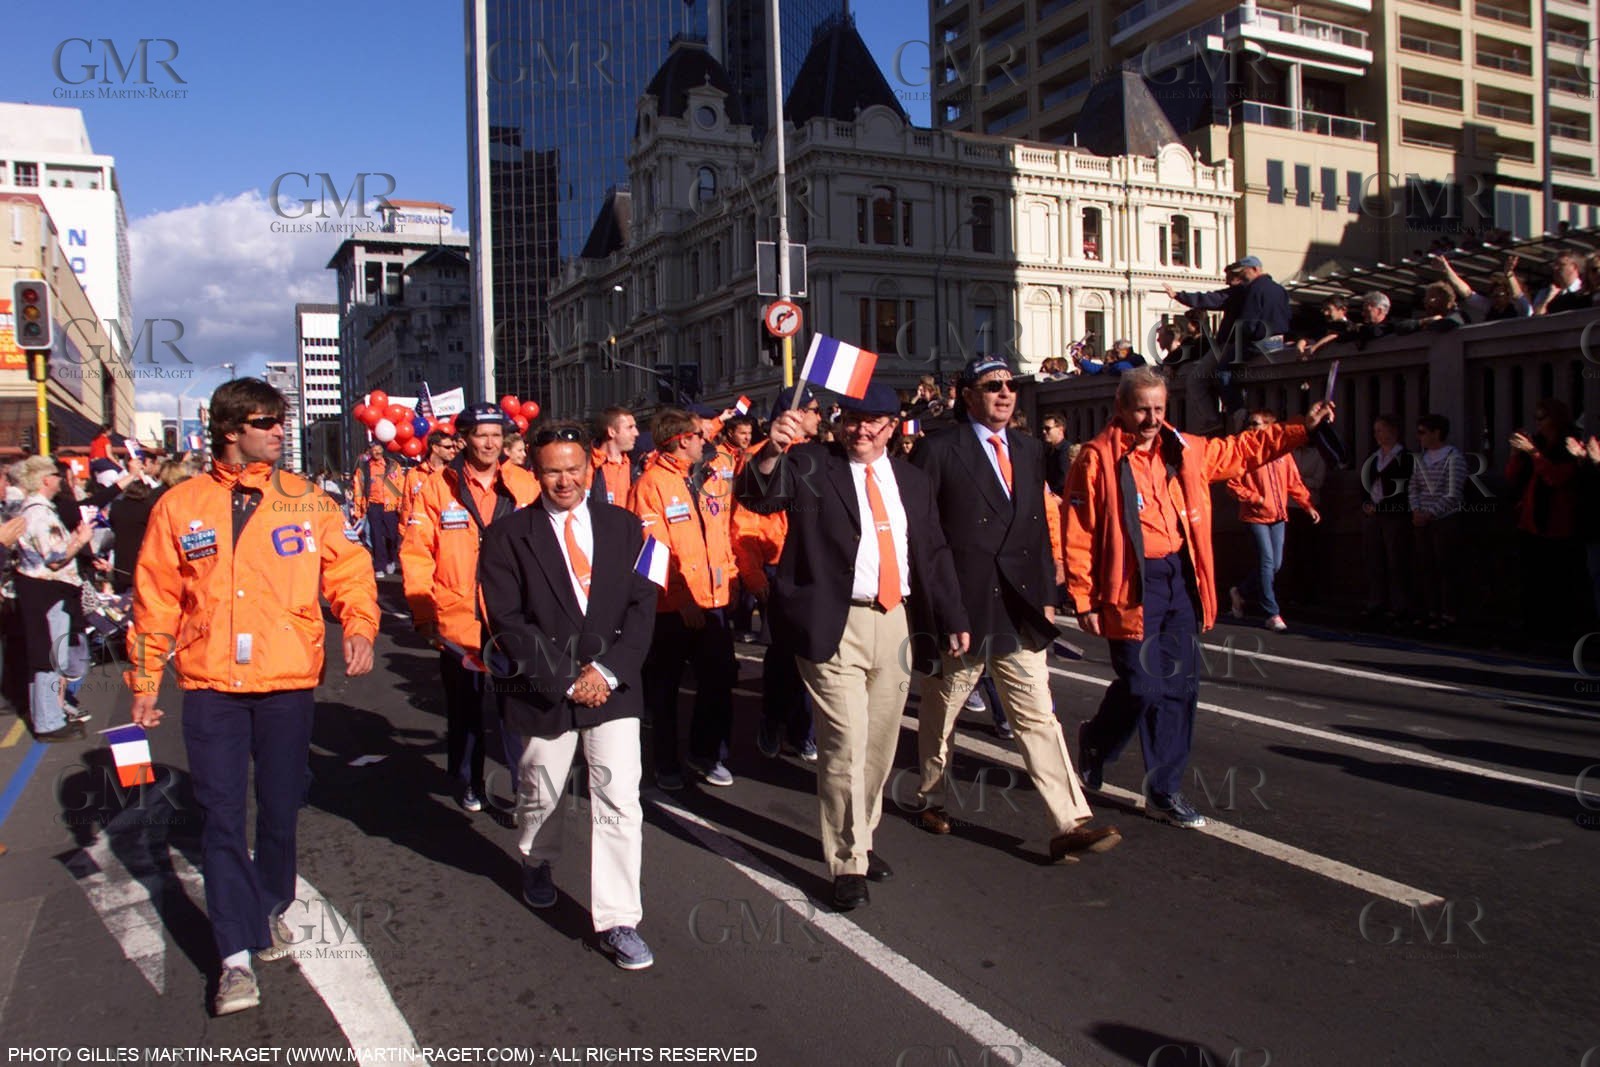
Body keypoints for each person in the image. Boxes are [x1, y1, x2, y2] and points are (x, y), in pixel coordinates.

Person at [127, 377, 378, 1017]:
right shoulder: (179, 505)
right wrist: (146, 681)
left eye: (281, 421)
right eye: (267, 421)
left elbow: (348, 568)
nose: (278, 431)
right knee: (219, 815)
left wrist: (359, 625)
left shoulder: (308, 501)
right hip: (212, 685)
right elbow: (155, 601)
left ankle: (269, 907)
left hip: (287, 682)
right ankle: (234, 957)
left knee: (280, 807)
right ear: (231, 428)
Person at [1066, 367, 1335, 828]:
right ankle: (1098, 739)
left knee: (1178, 689)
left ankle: (1164, 791)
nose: (1151, 418)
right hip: (1131, 581)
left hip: (1179, 577)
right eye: (1142, 409)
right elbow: (1080, 531)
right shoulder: (1096, 459)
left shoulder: (1186, 449)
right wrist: (1082, 597)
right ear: (1121, 408)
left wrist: (1300, 429)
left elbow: (1244, 449)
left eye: (1158, 409)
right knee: (1142, 685)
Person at [737, 382, 970, 910]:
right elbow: (757, 494)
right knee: (845, 742)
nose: (861, 431)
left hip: (895, 622)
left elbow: (931, 551)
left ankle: (861, 840)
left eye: (875, 422)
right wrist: (772, 449)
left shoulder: (911, 480)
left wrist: (953, 614)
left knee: (880, 747)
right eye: (852, 420)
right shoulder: (812, 463)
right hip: (833, 622)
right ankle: (846, 862)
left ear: (893, 427)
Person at [907, 357, 1120, 859]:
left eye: (1011, 386)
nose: (1005, 394)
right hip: (964, 610)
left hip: (1020, 608)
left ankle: (1070, 821)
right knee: (942, 712)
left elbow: (1037, 532)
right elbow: (926, 539)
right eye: (992, 386)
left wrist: (1047, 597)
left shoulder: (1028, 449)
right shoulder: (938, 450)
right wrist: (945, 612)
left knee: (1038, 716)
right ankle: (930, 795)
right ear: (967, 395)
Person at [478, 423, 659, 970]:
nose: (565, 480)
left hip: (614, 688)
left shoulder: (626, 527)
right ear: (536, 472)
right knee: (542, 792)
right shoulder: (509, 536)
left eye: (574, 468)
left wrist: (606, 672)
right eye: (553, 470)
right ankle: (537, 858)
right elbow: (507, 620)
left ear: (590, 468)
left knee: (619, 801)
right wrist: (564, 679)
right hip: (544, 690)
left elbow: (643, 604)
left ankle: (618, 919)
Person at [401, 404, 540, 813]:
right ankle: (468, 781)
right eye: (482, 435)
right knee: (466, 711)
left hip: (512, 618)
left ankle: (522, 789)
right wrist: (424, 613)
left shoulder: (524, 484)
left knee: (517, 709)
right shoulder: (436, 488)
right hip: (458, 620)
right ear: (463, 439)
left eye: (497, 435)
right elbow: (417, 553)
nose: (491, 442)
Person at [630, 407, 737, 790]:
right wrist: (681, 599)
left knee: (720, 679)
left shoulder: (707, 475)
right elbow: (652, 552)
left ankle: (705, 752)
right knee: (666, 689)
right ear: (681, 440)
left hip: (715, 600)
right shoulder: (650, 485)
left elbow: (721, 532)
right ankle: (665, 762)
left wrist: (733, 579)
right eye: (698, 435)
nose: (705, 439)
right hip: (672, 608)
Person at [734, 390, 822, 762]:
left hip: (810, 568)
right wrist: (755, 578)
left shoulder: (814, 457)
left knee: (812, 654)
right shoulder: (762, 458)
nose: (821, 417)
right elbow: (744, 526)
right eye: (814, 411)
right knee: (784, 658)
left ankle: (803, 731)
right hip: (777, 570)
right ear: (796, 414)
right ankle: (771, 723)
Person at [10, 455, 94, 742]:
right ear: (46, 480)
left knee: (47, 657)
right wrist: (81, 540)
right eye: (56, 475)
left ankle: (48, 717)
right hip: (47, 592)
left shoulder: (35, 509)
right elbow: (55, 559)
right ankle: (48, 722)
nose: (61, 480)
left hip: (41, 591)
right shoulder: (40, 514)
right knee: (50, 658)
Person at [1225, 410, 1319, 632]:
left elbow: (1294, 482)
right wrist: (1255, 498)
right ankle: (1271, 612)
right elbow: (1233, 484)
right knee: (1267, 561)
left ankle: (1241, 591)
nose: (1252, 428)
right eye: (1250, 424)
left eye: (1257, 424)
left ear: (1269, 426)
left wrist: (1307, 505)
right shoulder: (1245, 451)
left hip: (1277, 515)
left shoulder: (1282, 454)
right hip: (1255, 515)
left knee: (1274, 564)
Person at [1507, 399, 1584, 639]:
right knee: (1530, 579)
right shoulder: (1537, 444)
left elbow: (1556, 477)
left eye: (1543, 417)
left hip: (1557, 524)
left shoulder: (1570, 444)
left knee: (1557, 581)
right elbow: (1512, 477)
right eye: (1536, 418)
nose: (1538, 423)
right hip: (1530, 523)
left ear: (1556, 419)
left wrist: (1533, 453)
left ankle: (1558, 630)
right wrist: (1517, 454)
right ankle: (1532, 627)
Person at [1410, 414, 1465, 631]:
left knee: (1445, 569)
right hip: (1422, 521)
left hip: (1445, 521)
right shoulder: (1422, 459)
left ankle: (1448, 614)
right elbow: (1413, 487)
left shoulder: (1454, 458)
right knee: (1425, 568)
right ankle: (1429, 611)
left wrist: (1430, 513)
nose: (1419, 437)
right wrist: (1416, 510)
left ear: (1436, 433)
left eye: (1423, 432)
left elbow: (1453, 493)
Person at [1361, 415, 1414, 628]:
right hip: (1373, 515)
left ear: (1393, 431)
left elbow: (1406, 489)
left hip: (1394, 515)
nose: (1377, 435)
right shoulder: (1374, 457)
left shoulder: (1406, 458)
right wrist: (1366, 503)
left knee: (1396, 560)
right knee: (1374, 559)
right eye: (1375, 430)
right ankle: (1377, 602)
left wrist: (1382, 506)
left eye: (1381, 430)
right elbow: (1365, 484)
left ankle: (1400, 606)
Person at [352, 442, 402, 578]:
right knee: (376, 536)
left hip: (390, 505)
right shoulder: (363, 468)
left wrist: (400, 503)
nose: (377, 452)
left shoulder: (393, 466)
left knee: (392, 535)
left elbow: (400, 484)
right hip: (373, 505)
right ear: (370, 451)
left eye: (379, 449)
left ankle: (391, 559)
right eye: (374, 449)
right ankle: (379, 565)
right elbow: (358, 489)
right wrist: (358, 509)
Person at [399, 430, 459, 528]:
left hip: (447, 530)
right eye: (447, 447)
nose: (452, 451)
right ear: (435, 448)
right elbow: (407, 505)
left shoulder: (454, 474)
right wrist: (403, 530)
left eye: (453, 447)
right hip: (422, 531)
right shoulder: (414, 474)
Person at [590, 407, 639, 507]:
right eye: (630, 427)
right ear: (612, 432)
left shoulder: (637, 467)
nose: (636, 433)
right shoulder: (588, 466)